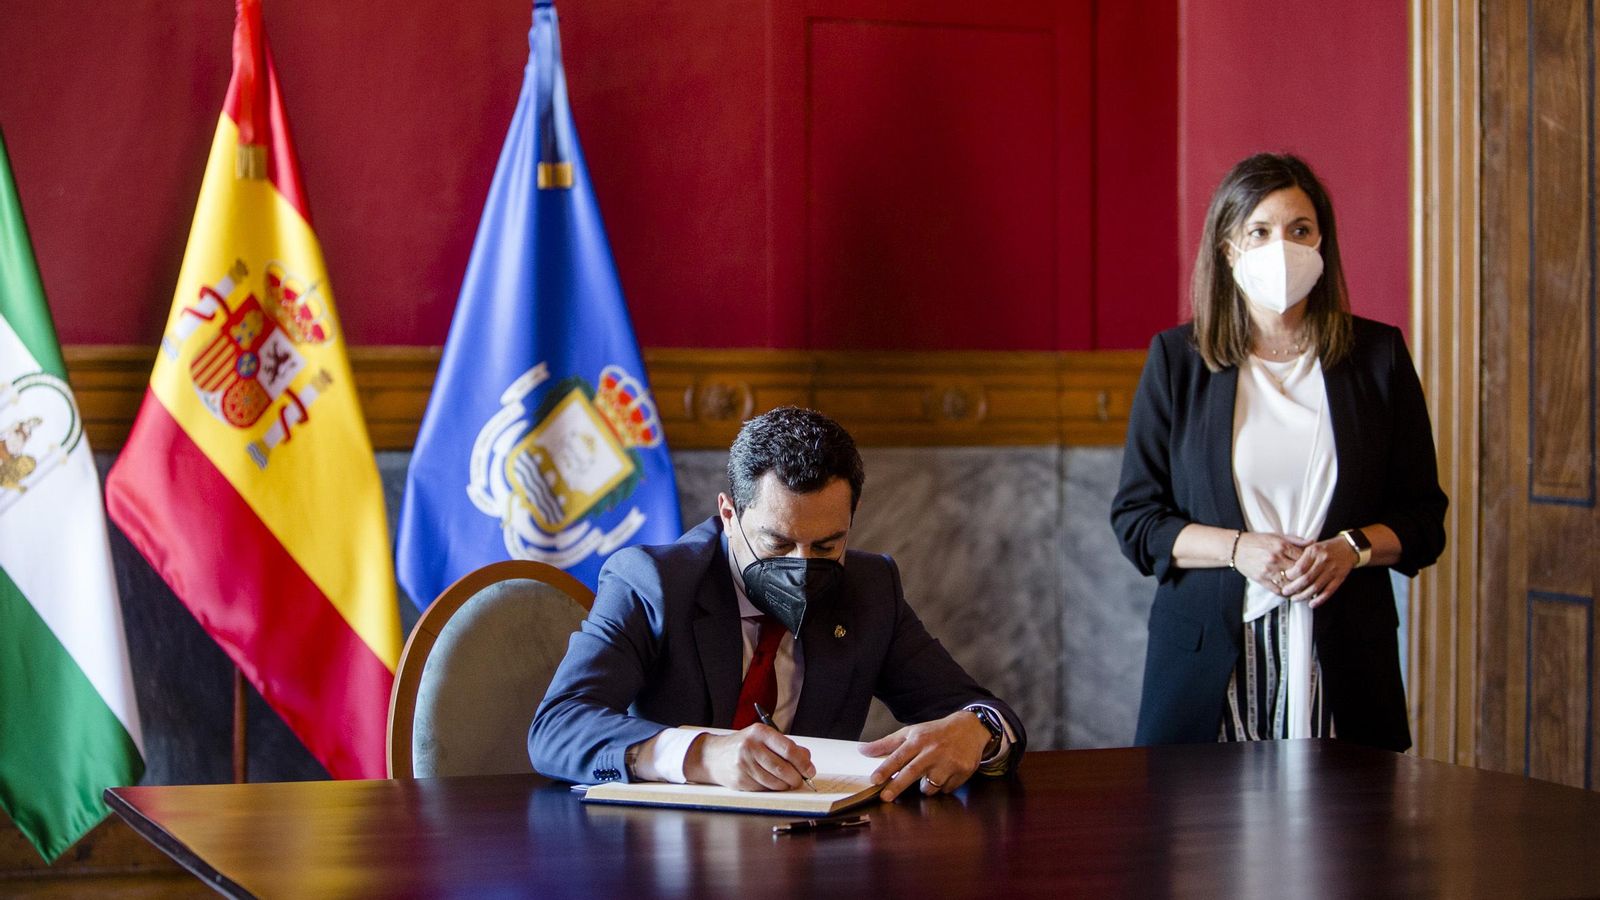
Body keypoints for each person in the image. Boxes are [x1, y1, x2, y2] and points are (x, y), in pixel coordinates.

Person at [1110, 152, 1447, 752]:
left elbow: (1423, 520)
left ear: (1322, 244)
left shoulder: (1379, 356)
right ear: (1228, 248)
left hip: (1344, 655)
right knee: (1206, 840)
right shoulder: (1178, 360)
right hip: (1209, 656)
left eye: (1300, 230)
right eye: (1258, 231)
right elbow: (1138, 522)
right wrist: (1240, 550)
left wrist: (1352, 548)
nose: (1281, 247)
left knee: (1344, 839)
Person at [529, 406, 1024, 800]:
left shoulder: (870, 589)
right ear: (728, 514)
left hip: (816, 857)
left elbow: (982, 709)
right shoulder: (653, 581)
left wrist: (976, 730)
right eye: (778, 544)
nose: (803, 565)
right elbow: (558, 727)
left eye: (827, 546)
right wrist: (703, 755)